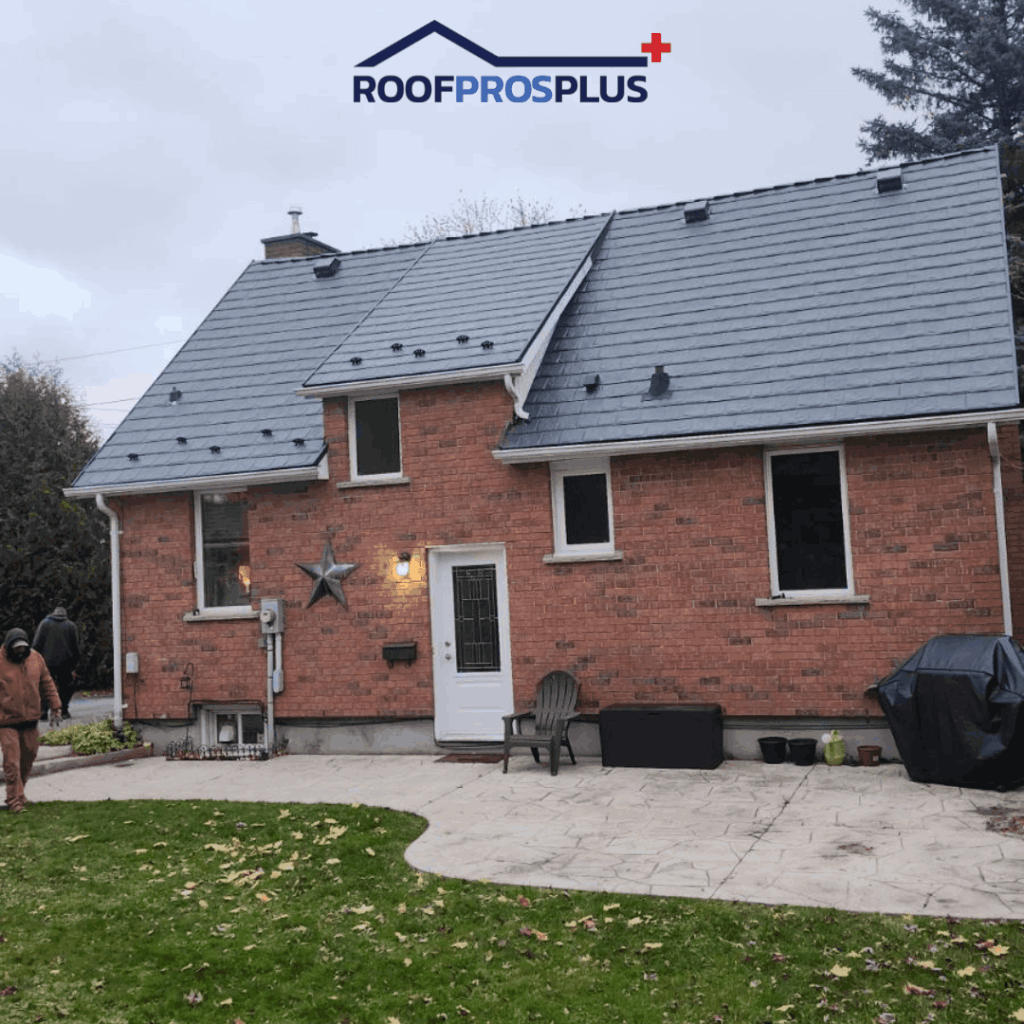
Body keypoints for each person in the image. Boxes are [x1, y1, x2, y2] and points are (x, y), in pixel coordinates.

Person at [0, 629, 61, 813]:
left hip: (31, 719)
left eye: (23, 648)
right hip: (6, 720)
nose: (20, 652)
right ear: (9, 646)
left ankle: (20, 794)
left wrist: (55, 705)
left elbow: (47, 682)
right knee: (12, 763)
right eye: (16, 648)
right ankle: (13, 801)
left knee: (28, 758)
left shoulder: (36, 658)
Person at [32, 606, 80, 718]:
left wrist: (36, 661)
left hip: (47, 663)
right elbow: (76, 648)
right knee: (65, 687)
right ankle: (64, 711)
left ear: (53, 613)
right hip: (65, 663)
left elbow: (36, 644)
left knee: (45, 687)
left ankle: (43, 711)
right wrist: (75, 665)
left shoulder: (44, 623)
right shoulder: (71, 626)